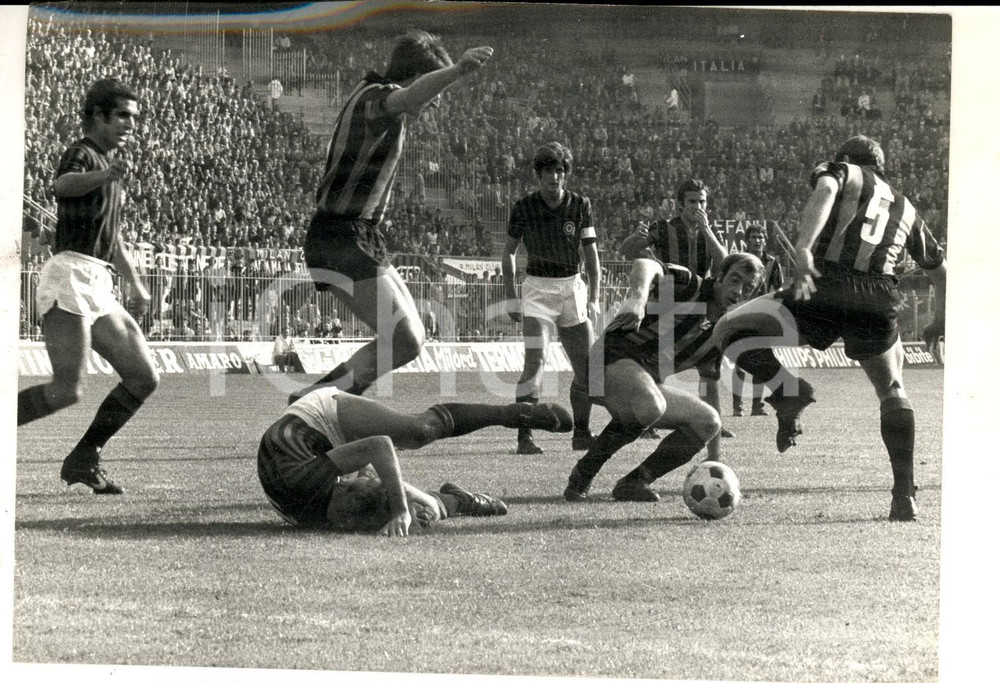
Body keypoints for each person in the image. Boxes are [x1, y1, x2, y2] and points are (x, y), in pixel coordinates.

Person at [712, 135, 947, 521]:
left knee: (728, 330)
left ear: (847, 158)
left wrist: (804, 246)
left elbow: (825, 188)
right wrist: (940, 318)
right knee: (892, 390)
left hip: (824, 288)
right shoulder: (907, 208)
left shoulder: (843, 170)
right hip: (876, 299)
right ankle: (904, 493)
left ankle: (788, 392)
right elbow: (940, 270)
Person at [290, 30, 493, 404]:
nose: (434, 103)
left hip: (358, 234)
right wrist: (458, 71)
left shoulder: (376, 99)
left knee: (411, 340)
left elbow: (411, 97)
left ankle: (314, 401)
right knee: (404, 338)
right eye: (434, 91)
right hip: (340, 235)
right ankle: (314, 405)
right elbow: (409, 96)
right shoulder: (376, 98)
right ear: (416, 76)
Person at [17, 78, 158, 495]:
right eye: (123, 116)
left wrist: (134, 282)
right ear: (98, 115)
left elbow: (113, 239)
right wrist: (104, 174)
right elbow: (62, 186)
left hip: (98, 279)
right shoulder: (83, 153)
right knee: (67, 391)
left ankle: (84, 458)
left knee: (143, 376)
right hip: (70, 275)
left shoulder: (107, 166)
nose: (131, 124)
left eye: (134, 117)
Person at [563, 252, 763, 503]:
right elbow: (645, 264)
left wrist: (714, 458)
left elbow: (709, 387)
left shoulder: (721, 333)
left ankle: (635, 481)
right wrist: (638, 298)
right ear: (720, 275)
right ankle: (583, 474)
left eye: (748, 288)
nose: (738, 291)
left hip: (644, 385)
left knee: (709, 422)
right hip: (603, 363)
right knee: (650, 405)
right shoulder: (689, 285)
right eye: (734, 280)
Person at [258, 388, 574, 535]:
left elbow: (381, 445)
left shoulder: (306, 484)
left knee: (418, 431)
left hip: (321, 416)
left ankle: (514, 414)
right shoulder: (321, 514)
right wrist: (409, 509)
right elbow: (369, 491)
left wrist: (399, 510)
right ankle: (459, 500)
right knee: (410, 508)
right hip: (313, 454)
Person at [502, 142, 600, 455]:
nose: (554, 177)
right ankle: (525, 438)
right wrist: (511, 296)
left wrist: (594, 297)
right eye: (548, 171)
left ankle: (582, 434)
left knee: (587, 369)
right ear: (539, 174)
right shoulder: (524, 207)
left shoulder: (580, 204)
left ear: (565, 174)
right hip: (538, 291)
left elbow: (591, 255)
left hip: (572, 288)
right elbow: (508, 253)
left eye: (559, 171)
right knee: (536, 362)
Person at [618, 178, 732, 440]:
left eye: (702, 201)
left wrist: (706, 230)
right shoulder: (662, 228)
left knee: (709, 368)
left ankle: (714, 423)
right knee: (656, 362)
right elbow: (627, 250)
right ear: (680, 204)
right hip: (666, 303)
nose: (698, 206)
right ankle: (647, 420)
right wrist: (635, 238)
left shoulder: (712, 231)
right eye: (692, 201)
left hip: (701, 305)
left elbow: (724, 264)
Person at [731, 224, 784, 418]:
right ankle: (737, 406)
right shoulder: (739, 261)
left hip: (763, 316)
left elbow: (779, 288)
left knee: (760, 360)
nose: (758, 240)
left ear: (765, 240)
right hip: (742, 314)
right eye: (754, 237)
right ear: (747, 240)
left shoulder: (772, 263)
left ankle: (756, 406)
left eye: (761, 237)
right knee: (739, 361)